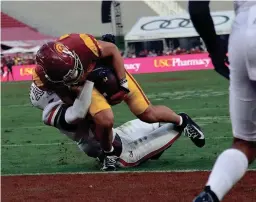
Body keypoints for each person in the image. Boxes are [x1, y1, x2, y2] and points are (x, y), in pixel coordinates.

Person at [32, 33, 205, 171]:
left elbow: (113, 50)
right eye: (67, 75)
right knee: (105, 120)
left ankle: (182, 121)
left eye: (73, 69)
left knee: (146, 112)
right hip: (85, 87)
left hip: (107, 72)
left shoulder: (80, 43)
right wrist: (81, 92)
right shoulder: (43, 77)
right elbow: (68, 99)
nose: (74, 73)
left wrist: (122, 84)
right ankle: (110, 154)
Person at [29, 81, 196, 169]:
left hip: (117, 134)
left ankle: (156, 150)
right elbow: (79, 112)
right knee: (174, 126)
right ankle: (182, 121)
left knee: (158, 120)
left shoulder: (66, 95)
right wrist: (88, 80)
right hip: (121, 153)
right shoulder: (51, 113)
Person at [189, 1, 256, 201]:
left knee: (246, 142)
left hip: (242, 32)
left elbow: (197, 7)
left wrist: (214, 49)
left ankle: (210, 195)